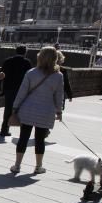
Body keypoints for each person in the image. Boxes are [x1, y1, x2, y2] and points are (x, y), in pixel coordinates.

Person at [9, 46, 65, 175]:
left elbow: (21, 92)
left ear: (40, 57)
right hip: (46, 112)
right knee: (40, 140)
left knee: (23, 137)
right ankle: (38, 166)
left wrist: (15, 108)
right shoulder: (58, 76)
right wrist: (59, 111)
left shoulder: (31, 73)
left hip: (28, 109)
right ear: (55, 59)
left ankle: (17, 165)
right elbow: (59, 96)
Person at [0, 45, 32, 137]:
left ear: (16, 51)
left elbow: (1, 75)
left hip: (8, 89)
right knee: (22, 109)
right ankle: (23, 132)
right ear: (25, 52)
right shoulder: (27, 62)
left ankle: (4, 129)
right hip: (21, 90)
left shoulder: (8, 61)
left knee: (8, 109)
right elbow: (29, 78)